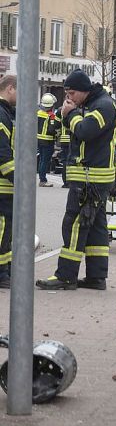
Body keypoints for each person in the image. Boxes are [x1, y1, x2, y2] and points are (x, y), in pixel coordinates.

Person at [36, 70, 116, 291]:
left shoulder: (103, 106)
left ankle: (66, 276)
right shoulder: (90, 104)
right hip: (92, 178)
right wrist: (69, 114)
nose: (69, 97)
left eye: (72, 93)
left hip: (90, 179)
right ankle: (96, 277)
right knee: (96, 228)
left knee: (74, 225)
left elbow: (85, 131)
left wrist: (70, 114)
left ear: (83, 90)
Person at [0, 76, 16, 289]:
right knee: (3, 230)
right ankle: (2, 274)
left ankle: (6, 270)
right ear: (10, 88)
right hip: (3, 185)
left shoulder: (6, 113)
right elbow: (2, 152)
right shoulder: (2, 114)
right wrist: (18, 179)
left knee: (6, 231)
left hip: (5, 185)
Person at [37, 92, 60, 187]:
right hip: (48, 141)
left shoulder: (38, 113)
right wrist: (57, 133)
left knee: (41, 160)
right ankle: (43, 180)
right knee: (45, 161)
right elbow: (51, 130)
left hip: (38, 140)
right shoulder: (52, 116)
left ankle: (41, 178)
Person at [55, 107, 72, 188]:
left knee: (65, 161)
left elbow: (56, 125)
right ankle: (71, 182)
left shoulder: (60, 111)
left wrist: (58, 135)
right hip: (73, 140)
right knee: (72, 162)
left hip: (64, 140)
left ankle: (65, 182)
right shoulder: (76, 109)